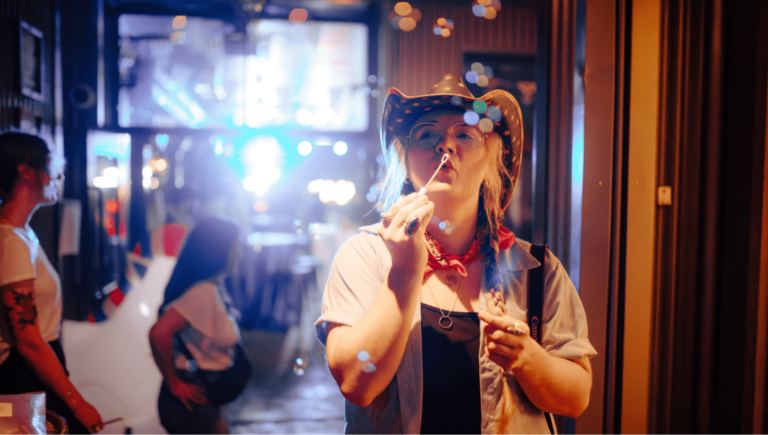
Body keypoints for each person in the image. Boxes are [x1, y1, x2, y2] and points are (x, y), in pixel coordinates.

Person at [315, 74, 597, 434]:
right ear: (405, 159)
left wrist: (527, 357)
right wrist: (402, 273)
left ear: (491, 162)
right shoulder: (365, 256)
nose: (445, 146)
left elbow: (576, 400)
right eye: (427, 134)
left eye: (465, 135)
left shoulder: (538, 270)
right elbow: (357, 385)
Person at [0, 132, 104, 434]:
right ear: (26, 171)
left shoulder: (23, 233)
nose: (56, 175)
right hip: (22, 373)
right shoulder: (10, 240)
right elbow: (28, 339)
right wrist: (76, 401)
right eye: (49, 164)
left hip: (32, 368)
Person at [149, 217, 242, 435]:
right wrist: (174, 382)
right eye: (236, 246)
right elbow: (158, 333)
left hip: (206, 395)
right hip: (193, 401)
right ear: (219, 250)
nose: (240, 253)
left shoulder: (212, 287)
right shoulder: (202, 293)